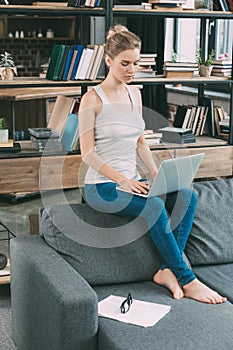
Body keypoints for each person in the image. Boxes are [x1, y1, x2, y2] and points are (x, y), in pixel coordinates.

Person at [78, 24, 226, 304]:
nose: (131, 70)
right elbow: (87, 154)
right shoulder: (92, 99)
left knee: (187, 196)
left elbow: (139, 142)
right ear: (108, 61)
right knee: (155, 206)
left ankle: (165, 270)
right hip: (102, 186)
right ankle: (187, 278)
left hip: (132, 181)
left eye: (136, 63)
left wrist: (158, 174)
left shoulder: (136, 94)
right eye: (124, 63)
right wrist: (122, 180)